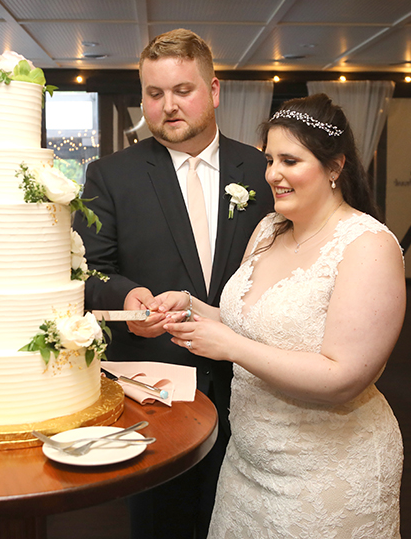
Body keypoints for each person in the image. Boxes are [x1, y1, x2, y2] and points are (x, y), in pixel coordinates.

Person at [156, 94, 405, 538]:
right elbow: (250, 323)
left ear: (335, 167)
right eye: (269, 160)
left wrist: (230, 347)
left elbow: (344, 375)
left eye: (290, 160)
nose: (273, 174)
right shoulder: (269, 229)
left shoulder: (367, 246)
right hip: (247, 465)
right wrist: (191, 305)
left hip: (327, 472)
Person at [73, 28, 273, 539]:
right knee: (162, 521)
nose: (167, 106)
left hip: (255, 379)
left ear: (214, 90)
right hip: (155, 388)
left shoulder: (262, 170)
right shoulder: (110, 175)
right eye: (154, 93)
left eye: (182, 90)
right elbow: (88, 271)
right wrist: (125, 297)